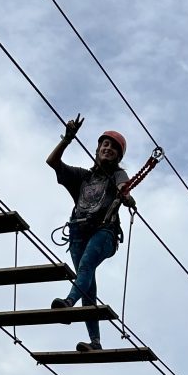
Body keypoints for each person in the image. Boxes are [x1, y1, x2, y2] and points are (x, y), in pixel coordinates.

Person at [46, 115, 134, 352]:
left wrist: (126, 196)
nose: (108, 148)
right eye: (105, 144)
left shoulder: (117, 175)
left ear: (118, 157)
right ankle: (95, 342)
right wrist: (67, 139)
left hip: (104, 232)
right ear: (98, 149)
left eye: (114, 148)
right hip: (78, 233)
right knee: (87, 283)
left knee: (85, 267)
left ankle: (68, 303)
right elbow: (52, 162)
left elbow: (123, 186)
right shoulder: (82, 177)